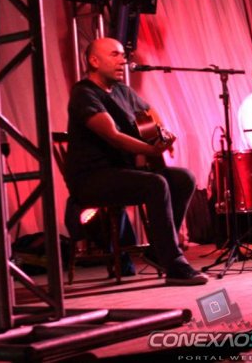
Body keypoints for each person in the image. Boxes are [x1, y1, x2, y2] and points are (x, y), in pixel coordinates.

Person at [64, 37, 208, 286]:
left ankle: (158, 251)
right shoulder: (83, 93)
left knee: (184, 178)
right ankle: (174, 264)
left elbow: (149, 113)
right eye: (115, 54)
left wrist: (162, 133)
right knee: (155, 183)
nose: (123, 60)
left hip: (123, 172)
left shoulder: (123, 91)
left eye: (123, 55)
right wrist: (151, 150)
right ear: (94, 61)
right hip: (92, 178)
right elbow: (113, 136)